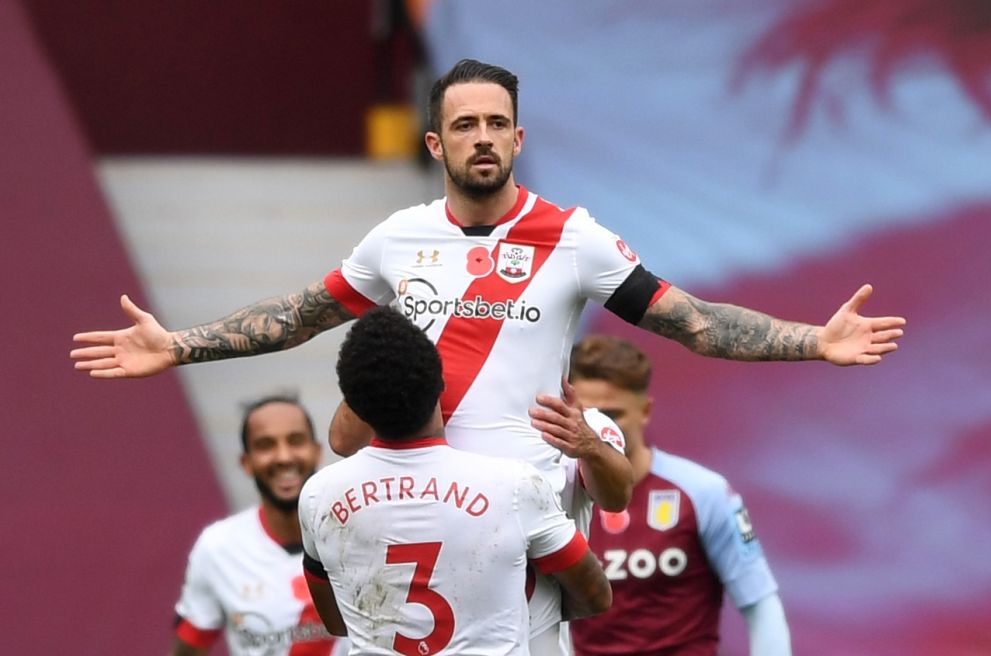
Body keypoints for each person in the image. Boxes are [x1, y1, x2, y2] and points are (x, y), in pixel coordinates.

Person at [72, 57, 901, 646]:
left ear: (517, 136)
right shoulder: (399, 237)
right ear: (434, 143)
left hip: (522, 515)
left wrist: (812, 342)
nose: (482, 138)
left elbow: (690, 319)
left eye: (496, 124)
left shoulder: (573, 238)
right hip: (402, 503)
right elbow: (304, 314)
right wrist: (178, 346)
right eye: (463, 124)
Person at [298, 306, 612, 654]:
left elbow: (336, 620)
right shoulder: (512, 485)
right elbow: (595, 595)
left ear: (354, 404)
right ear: (441, 383)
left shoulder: (319, 494)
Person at [567, 335, 792, 656]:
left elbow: (760, 601)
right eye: (589, 416)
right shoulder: (554, 492)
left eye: (613, 415)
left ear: (644, 411)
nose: (602, 430)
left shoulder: (704, 492)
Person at [170, 394, 346, 656]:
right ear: (246, 462)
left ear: (316, 451)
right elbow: (187, 648)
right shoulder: (218, 548)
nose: (284, 457)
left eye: (295, 441)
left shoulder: (356, 531)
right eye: (266, 445)